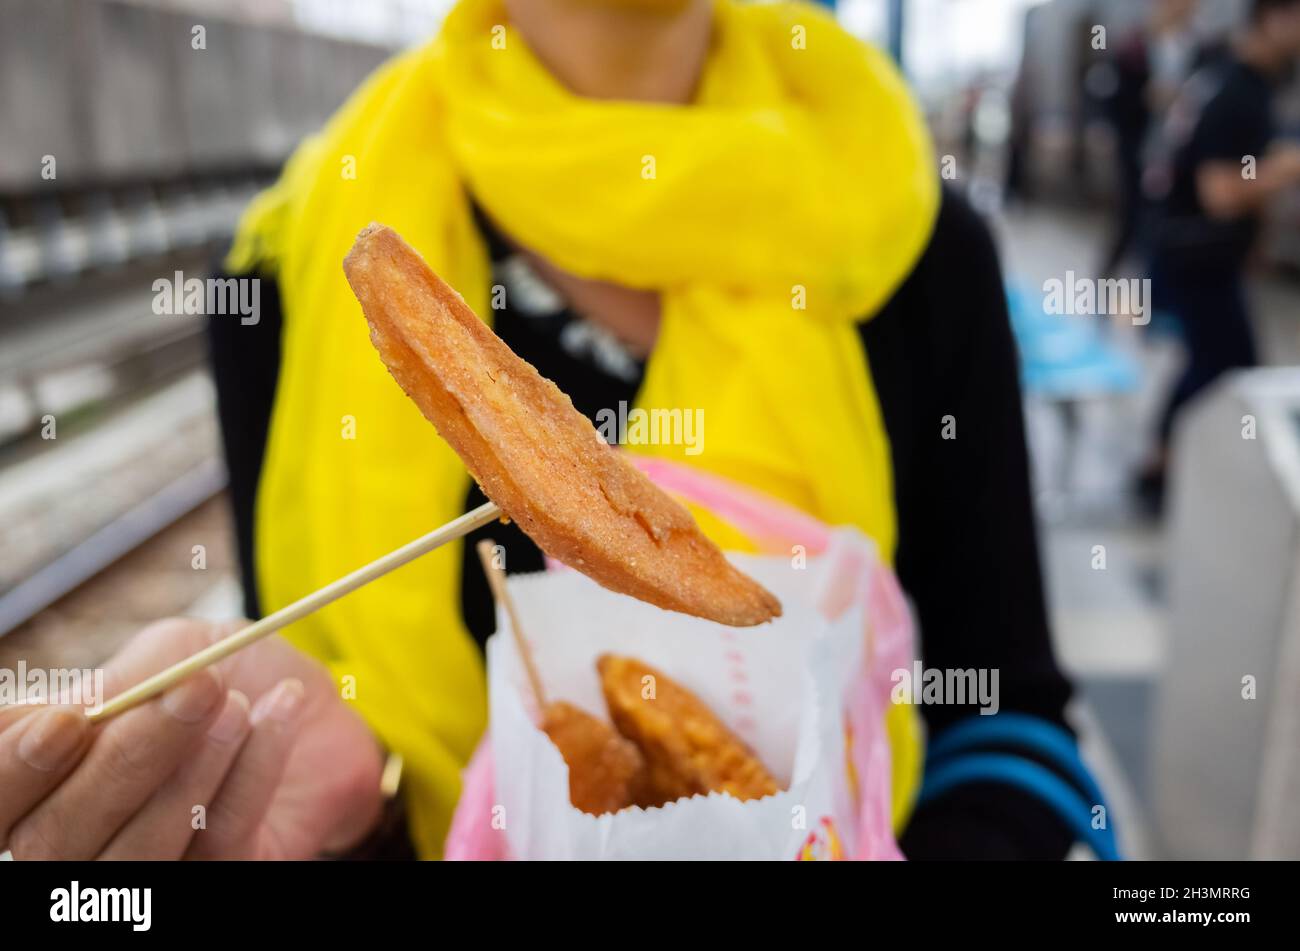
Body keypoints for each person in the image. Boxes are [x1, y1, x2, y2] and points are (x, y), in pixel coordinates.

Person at [0, 0, 1084, 861]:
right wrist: (334, 800)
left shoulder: (912, 239)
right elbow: (308, 724)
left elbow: (1011, 728)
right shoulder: (287, 263)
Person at [1138, 0, 1300, 505]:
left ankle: (1162, 464)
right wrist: (1290, 166)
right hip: (1197, 255)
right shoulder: (1239, 90)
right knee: (1230, 368)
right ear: (1272, 17)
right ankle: (1176, 474)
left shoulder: (1220, 77)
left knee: (1210, 361)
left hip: (1189, 250)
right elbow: (1222, 191)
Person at [1096, 0, 1200, 276]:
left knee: (1163, 224)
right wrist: (1145, 97)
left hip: (1176, 150)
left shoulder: (1194, 47)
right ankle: (1107, 282)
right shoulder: (1134, 47)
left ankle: (1152, 293)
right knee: (1132, 220)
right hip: (1141, 147)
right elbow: (1110, 99)